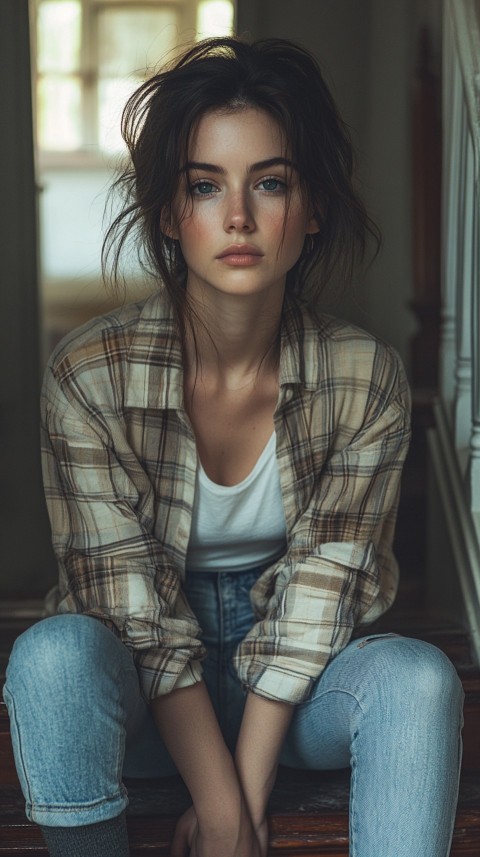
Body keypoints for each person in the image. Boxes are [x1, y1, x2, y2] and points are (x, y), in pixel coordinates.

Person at [4, 36, 463, 857]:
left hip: (296, 686)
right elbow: (135, 614)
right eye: (205, 186)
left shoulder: (364, 378)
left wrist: (240, 799)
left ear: (312, 206)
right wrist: (216, 802)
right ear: (171, 215)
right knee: (51, 658)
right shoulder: (90, 374)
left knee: (420, 678)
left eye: (272, 183)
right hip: (141, 694)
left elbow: (321, 595)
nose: (240, 217)